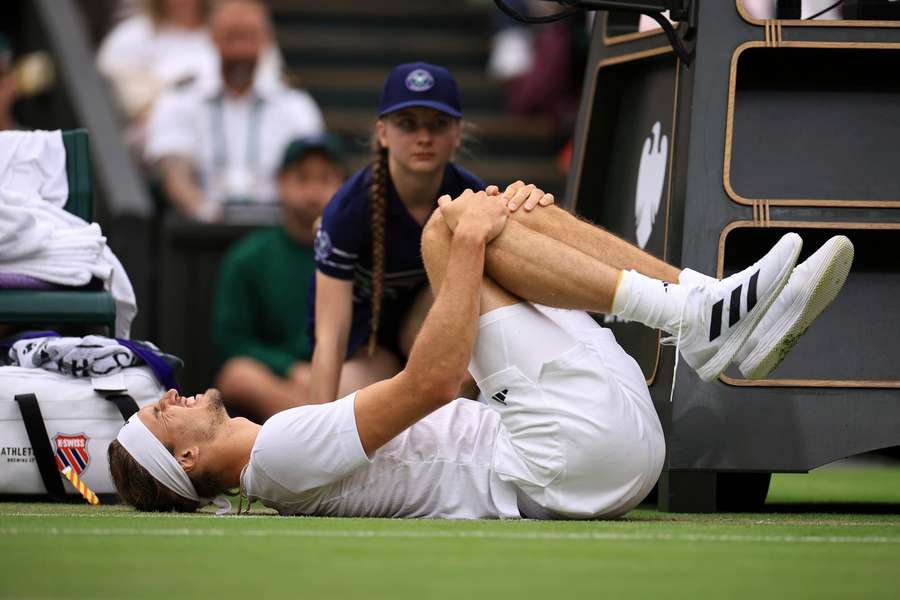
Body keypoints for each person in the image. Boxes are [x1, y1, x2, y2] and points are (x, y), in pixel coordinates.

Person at [107, 189, 854, 517]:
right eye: (160, 419)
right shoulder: (278, 455)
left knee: (515, 211)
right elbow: (434, 381)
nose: (168, 397)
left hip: (590, 453)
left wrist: (491, 227)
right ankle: (696, 315)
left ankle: (702, 304)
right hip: (566, 455)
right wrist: (463, 241)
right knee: (449, 228)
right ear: (190, 464)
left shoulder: (281, 456)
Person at [308, 60, 554, 406]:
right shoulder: (348, 208)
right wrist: (310, 445)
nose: (424, 137)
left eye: (438, 125)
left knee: (461, 373)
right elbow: (330, 339)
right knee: (349, 402)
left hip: (427, 326)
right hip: (367, 342)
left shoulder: (471, 194)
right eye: (407, 124)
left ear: (457, 134)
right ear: (383, 133)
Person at [145, 0, 323, 222]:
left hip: (275, 228)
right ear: (212, 38)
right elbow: (172, 171)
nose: (240, 49)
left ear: (266, 41)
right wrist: (205, 214)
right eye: (232, 37)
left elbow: (312, 171)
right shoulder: (182, 98)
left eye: (249, 37)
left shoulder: (294, 104)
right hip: (200, 229)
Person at [211, 134, 347, 422]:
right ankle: (315, 431)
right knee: (238, 375)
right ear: (281, 183)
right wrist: (288, 368)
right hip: (276, 378)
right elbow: (231, 341)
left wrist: (325, 370)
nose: (313, 190)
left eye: (325, 179)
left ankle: (313, 430)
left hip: (341, 374)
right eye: (302, 178)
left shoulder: (356, 253)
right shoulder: (248, 256)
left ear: (341, 186)